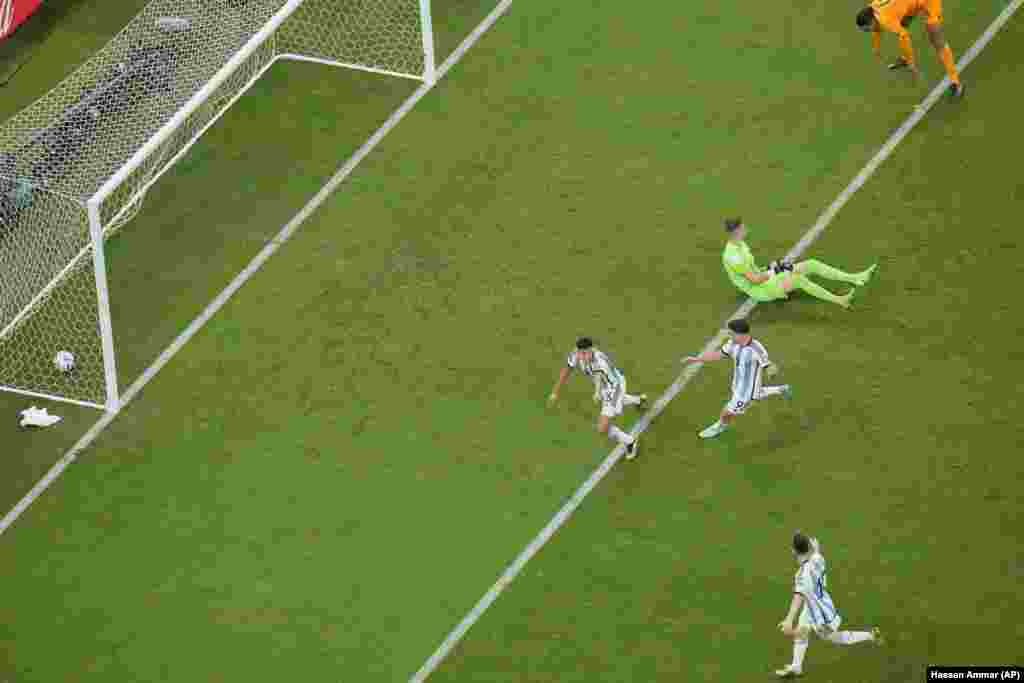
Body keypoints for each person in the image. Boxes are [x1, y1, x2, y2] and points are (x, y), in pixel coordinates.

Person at [775, 532, 884, 678]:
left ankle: (870, 635)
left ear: (793, 551)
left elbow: (798, 597)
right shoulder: (818, 558)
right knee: (802, 630)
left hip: (820, 613)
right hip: (818, 603)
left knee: (833, 637)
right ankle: (796, 667)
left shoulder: (801, 574)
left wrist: (789, 620)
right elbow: (814, 555)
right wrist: (815, 549)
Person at [722, 218, 876, 309]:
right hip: (760, 289)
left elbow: (755, 270)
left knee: (811, 264)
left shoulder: (740, 245)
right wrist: (774, 270)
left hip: (764, 278)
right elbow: (755, 280)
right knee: (798, 279)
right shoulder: (733, 256)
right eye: (742, 228)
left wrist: (773, 266)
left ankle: (854, 278)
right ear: (735, 232)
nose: (746, 229)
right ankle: (840, 300)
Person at [682, 318, 790, 439]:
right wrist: (697, 359)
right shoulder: (732, 343)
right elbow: (718, 355)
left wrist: (771, 371)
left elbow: (769, 365)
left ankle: (719, 426)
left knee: (728, 411)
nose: (729, 335)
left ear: (740, 334)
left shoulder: (756, 349)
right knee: (757, 393)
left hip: (746, 392)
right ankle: (781, 389)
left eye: (731, 333)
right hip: (738, 383)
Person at [549, 337, 647, 460]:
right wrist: (555, 392)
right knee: (613, 406)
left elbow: (598, 376)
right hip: (606, 386)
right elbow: (567, 369)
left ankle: (630, 442)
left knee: (602, 427)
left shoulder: (601, 362)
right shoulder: (576, 355)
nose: (582, 356)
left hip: (615, 386)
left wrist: (597, 392)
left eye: (585, 353)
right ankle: (639, 400)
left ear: (592, 350)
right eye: (580, 353)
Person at [855, 0, 965, 98]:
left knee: (937, 40)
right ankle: (905, 59)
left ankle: (956, 82)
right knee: (902, 22)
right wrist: (876, 48)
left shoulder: (885, 20)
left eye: (867, 29)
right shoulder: (873, 8)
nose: (869, 32)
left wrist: (911, 61)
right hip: (910, 4)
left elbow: (904, 36)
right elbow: (877, 30)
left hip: (928, 2)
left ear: (872, 21)